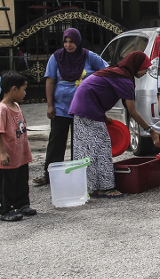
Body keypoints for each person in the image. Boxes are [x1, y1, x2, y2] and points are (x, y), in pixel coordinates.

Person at [68, 51, 160, 198]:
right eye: (144, 68)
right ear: (135, 66)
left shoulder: (118, 73)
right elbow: (133, 111)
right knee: (101, 146)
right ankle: (103, 188)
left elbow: (95, 89)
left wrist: (103, 116)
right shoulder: (123, 79)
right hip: (87, 108)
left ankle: (89, 186)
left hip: (83, 106)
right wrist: (151, 131)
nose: (145, 72)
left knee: (87, 148)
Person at [33, 28, 108, 186]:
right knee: (56, 142)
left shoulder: (89, 56)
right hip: (61, 108)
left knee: (80, 143)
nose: (68, 45)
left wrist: (95, 90)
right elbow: (50, 81)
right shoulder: (57, 57)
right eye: (66, 42)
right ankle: (49, 175)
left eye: (72, 42)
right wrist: (49, 105)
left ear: (78, 42)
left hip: (83, 108)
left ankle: (79, 175)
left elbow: (106, 71)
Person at [0, 71, 34, 222]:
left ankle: (22, 204)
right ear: (13, 89)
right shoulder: (2, 109)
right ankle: (6, 209)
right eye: (23, 89)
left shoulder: (16, 105)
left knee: (22, 179)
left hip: (20, 152)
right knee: (7, 183)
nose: (24, 93)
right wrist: (3, 153)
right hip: (8, 154)